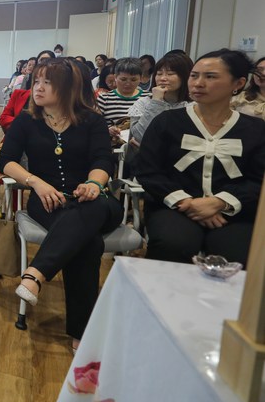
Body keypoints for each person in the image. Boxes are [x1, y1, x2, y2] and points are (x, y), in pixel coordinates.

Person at [0, 58, 122, 350]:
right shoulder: (28, 120)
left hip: (95, 200)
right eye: (36, 81)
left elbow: (103, 160)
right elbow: (5, 161)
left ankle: (35, 274)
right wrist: (36, 183)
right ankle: (82, 331)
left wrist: (93, 184)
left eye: (47, 83)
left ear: (68, 88)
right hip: (48, 200)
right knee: (88, 244)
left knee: (90, 209)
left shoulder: (92, 120)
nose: (37, 88)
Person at [135, 49, 265, 265]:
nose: (198, 83)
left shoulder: (255, 129)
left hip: (233, 211)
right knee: (173, 244)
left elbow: (258, 179)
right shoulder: (167, 122)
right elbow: (148, 170)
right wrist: (187, 202)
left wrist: (219, 202)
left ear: (238, 83)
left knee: (240, 254)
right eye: (194, 76)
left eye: (211, 76)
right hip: (173, 207)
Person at [128, 51, 193, 145]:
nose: (162, 78)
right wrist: (156, 102)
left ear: (185, 76)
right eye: (159, 73)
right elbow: (140, 136)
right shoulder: (144, 103)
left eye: (170, 74)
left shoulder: (193, 105)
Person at [96, 57, 150, 146]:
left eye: (133, 80)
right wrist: (109, 129)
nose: (128, 83)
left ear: (140, 78)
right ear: (115, 77)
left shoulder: (148, 98)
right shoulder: (104, 98)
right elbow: (96, 126)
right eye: (123, 79)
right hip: (112, 148)